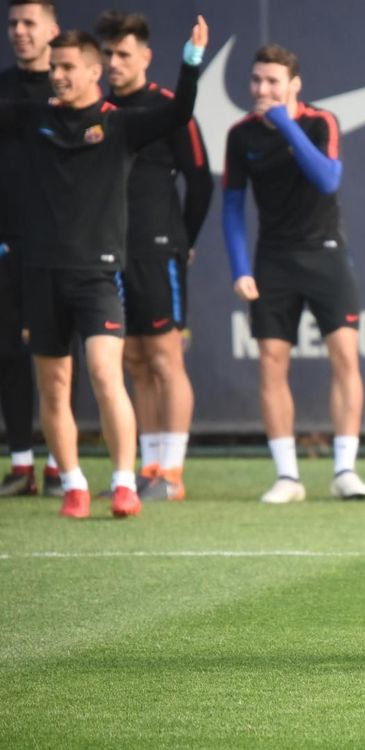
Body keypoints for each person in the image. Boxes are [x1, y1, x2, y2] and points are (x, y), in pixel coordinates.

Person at [0, 18, 208, 519]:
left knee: (105, 373)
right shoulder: (33, 119)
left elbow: (179, 111)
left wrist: (192, 61)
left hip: (98, 273)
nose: (57, 76)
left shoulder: (121, 125)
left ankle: (123, 481)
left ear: (94, 72)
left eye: (68, 67)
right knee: (54, 385)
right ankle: (71, 482)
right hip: (42, 271)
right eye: (54, 68)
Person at [223, 43, 365, 504]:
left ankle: (344, 470)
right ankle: (287, 476)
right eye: (256, 80)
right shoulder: (240, 134)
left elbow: (327, 179)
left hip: (326, 254)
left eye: (272, 81)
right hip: (273, 260)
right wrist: (240, 267)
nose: (262, 89)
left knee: (345, 356)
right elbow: (231, 207)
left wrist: (285, 123)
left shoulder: (318, 121)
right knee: (271, 362)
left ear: (294, 85)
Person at [96, 10, 213, 502]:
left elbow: (201, 179)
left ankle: (174, 471)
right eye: (108, 54)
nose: (114, 63)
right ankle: (148, 466)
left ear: (145, 56)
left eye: (124, 54)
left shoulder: (168, 108)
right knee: (135, 361)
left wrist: (181, 241)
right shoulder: (97, 110)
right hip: (111, 250)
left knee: (165, 359)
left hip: (159, 249)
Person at [0, 0, 59, 498]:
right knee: (8, 352)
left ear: (53, 30)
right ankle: (21, 465)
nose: (20, 32)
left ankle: (63, 463)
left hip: (59, 245)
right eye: (13, 24)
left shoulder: (70, 90)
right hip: (6, 245)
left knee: (59, 352)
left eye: (29, 23)